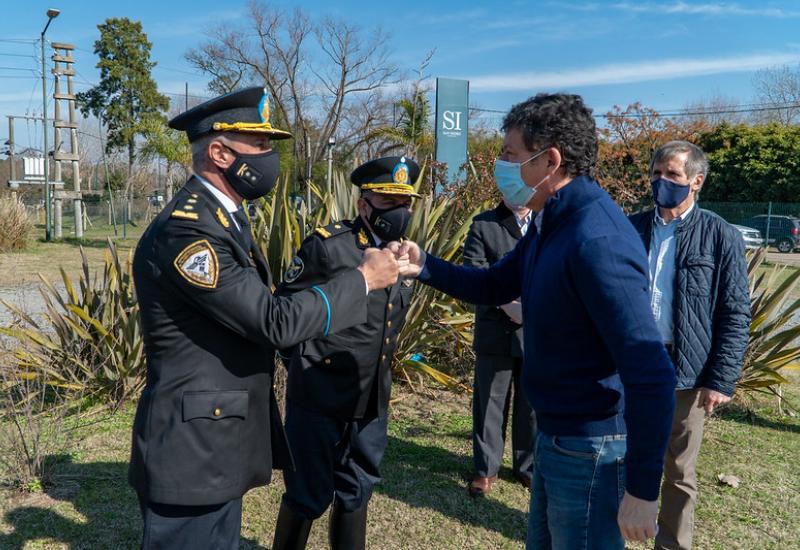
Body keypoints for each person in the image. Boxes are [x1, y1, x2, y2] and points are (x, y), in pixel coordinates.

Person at [390, 93, 677, 548]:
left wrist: (642, 489)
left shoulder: (596, 239)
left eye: (510, 157)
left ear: (551, 161)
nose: (500, 167)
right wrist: (423, 264)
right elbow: (494, 286)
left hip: (592, 450)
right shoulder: (551, 222)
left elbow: (652, 373)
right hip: (556, 438)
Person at [129, 87, 400, 550]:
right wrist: (362, 280)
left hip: (216, 440)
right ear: (219, 151)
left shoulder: (224, 218)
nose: (270, 157)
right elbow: (273, 320)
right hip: (192, 450)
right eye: (260, 146)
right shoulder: (188, 230)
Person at [270, 156, 419, 550]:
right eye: (388, 202)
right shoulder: (329, 247)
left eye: (405, 203)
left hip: (370, 399)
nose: (399, 213)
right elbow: (285, 311)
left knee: (358, 490)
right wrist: (303, 367)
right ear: (363, 204)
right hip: (319, 396)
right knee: (308, 494)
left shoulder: (407, 257)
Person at [628, 141, 750, 550]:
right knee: (617, 457)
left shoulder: (721, 235)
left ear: (696, 181)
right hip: (629, 364)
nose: (661, 182)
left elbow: (734, 312)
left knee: (678, 470)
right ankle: (612, 536)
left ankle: (672, 545)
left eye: (673, 175)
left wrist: (721, 380)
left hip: (686, 371)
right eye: (656, 173)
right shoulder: (631, 228)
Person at [462, 199, 535, 497]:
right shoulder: (484, 224)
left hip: (536, 331)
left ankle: (528, 467)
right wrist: (509, 306)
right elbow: (474, 271)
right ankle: (486, 469)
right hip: (496, 328)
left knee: (532, 406)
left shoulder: (546, 222)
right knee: (490, 402)